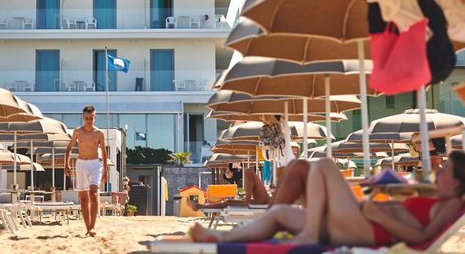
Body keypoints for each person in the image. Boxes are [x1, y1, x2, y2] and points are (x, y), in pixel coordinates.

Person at [179, 152, 465, 247]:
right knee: (279, 213)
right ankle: (221, 239)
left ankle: (312, 232)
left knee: (324, 165)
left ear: (456, 182)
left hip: (372, 228)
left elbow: (421, 237)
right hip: (361, 221)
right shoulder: (438, 196)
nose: (438, 173)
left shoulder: (452, 204)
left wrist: (380, 214)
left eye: (444, 171)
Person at [65, 105, 108, 238]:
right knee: (83, 199)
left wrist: (105, 170)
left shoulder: (99, 133)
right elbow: (69, 148)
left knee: (93, 193)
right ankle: (88, 228)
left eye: (91, 118)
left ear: (94, 118)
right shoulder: (78, 132)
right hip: (81, 164)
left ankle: (93, 227)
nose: (89, 121)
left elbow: (104, 152)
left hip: (95, 164)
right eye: (86, 118)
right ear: (83, 118)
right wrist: (66, 164)